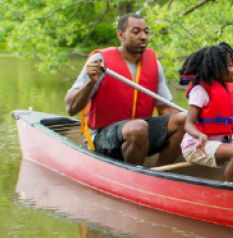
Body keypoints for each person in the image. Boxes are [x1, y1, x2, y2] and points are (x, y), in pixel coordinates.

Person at [65, 14, 186, 166]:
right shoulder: (100, 61)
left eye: (146, 32)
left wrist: (196, 127)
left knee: (184, 119)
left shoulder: (155, 65)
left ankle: (159, 172)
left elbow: (165, 110)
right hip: (104, 138)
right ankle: (135, 176)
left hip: (140, 134)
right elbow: (71, 108)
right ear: (121, 35)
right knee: (138, 127)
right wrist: (90, 82)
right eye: (136, 32)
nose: (143, 37)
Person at [178, 43, 233, 183]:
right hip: (195, 145)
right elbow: (188, 124)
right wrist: (200, 135)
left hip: (221, 139)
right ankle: (229, 194)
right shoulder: (201, 90)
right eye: (230, 65)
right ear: (216, 69)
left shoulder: (226, 87)